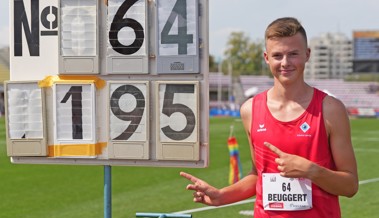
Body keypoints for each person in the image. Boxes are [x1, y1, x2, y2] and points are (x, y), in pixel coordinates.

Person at [180, 17, 358, 217]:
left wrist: (311, 170)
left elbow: (350, 185)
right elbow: (259, 175)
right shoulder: (250, 110)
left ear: (307, 54)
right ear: (266, 57)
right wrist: (222, 196)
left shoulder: (330, 109)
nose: (285, 63)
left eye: (293, 54)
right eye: (277, 55)